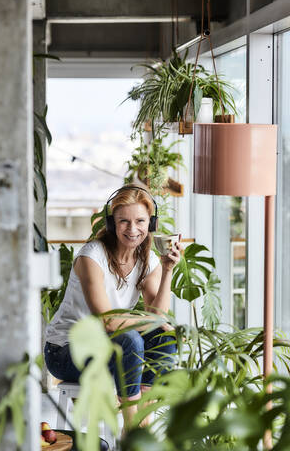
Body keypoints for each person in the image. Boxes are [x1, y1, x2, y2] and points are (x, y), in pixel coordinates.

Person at [44, 185, 181, 431]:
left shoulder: (148, 259)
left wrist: (167, 270)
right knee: (130, 340)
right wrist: (148, 322)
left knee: (164, 337)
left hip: (109, 348)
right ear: (111, 224)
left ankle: (143, 426)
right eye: (124, 221)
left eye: (140, 221)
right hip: (65, 352)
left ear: (150, 223)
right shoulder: (91, 257)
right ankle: (131, 433)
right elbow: (107, 322)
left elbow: (158, 317)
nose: (132, 229)